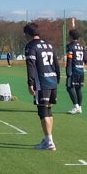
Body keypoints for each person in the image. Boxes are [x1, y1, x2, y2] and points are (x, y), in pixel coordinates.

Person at [23, 23, 61, 151]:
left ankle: (49, 141)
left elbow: (31, 65)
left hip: (42, 81)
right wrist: (57, 78)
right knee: (48, 110)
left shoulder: (31, 46)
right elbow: (56, 63)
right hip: (52, 80)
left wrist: (30, 83)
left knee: (43, 111)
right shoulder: (49, 45)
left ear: (27, 34)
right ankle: (48, 138)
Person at [65, 29, 86, 114]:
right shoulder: (81, 47)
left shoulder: (70, 46)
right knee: (78, 88)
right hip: (81, 70)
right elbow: (85, 58)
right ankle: (80, 107)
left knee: (69, 87)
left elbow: (69, 60)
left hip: (73, 70)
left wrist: (68, 71)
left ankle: (76, 106)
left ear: (70, 36)